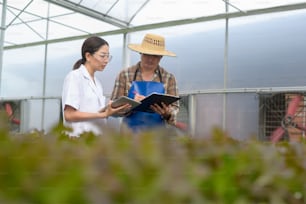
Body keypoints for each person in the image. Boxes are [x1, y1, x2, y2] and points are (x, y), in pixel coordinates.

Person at [62, 36, 130, 137]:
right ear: (88, 56)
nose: (106, 60)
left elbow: (93, 112)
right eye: (103, 56)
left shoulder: (97, 83)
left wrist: (110, 109)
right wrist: (103, 114)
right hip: (77, 140)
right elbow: (69, 114)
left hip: (94, 139)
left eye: (108, 56)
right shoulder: (75, 77)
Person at [110, 33, 179, 132]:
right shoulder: (125, 75)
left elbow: (175, 108)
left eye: (155, 56)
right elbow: (113, 108)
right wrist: (131, 104)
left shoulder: (168, 78)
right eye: (147, 54)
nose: (150, 59)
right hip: (129, 136)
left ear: (161, 57)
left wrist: (167, 113)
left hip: (157, 137)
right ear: (140, 53)